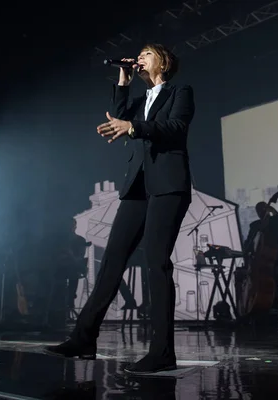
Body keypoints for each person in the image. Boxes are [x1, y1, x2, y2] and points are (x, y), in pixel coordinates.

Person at [45, 43, 194, 374]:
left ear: (164, 62)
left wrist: (135, 128)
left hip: (168, 186)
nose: (140, 58)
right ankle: (84, 339)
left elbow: (176, 128)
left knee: (157, 263)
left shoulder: (180, 91)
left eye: (146, 55)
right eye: (138, 55)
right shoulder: (141, 101)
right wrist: (124, 81)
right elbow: (120, 117)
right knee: (112, 260)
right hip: (137, 186)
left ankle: (162, 352)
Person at [243, 202, 278, 313]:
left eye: (263, 209)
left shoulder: (276, 221)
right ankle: (258, 306)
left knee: (274, 275)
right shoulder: (255, 225)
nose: (261, 212)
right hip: (263, 260)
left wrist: (273, 211)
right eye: (258, 211)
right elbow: (248, 244)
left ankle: (276, 306)